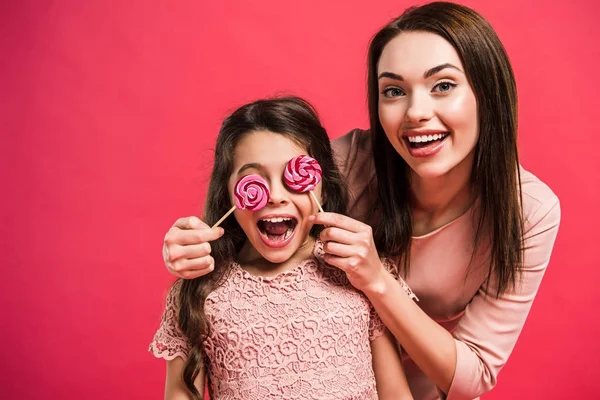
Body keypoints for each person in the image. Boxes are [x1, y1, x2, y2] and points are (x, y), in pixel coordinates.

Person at [161, 2, 561, 399]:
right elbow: (254, 193)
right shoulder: (340, 163)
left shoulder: (530, 210)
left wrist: (376, 281)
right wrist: (189, 246)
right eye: (393, 91)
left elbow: (474, 376)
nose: (416, 112)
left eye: (443, 85)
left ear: (487, 92)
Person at [150, 96, 416, 400]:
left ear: (323, 186)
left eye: (293, 178)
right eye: (254, 179)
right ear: (228, 193)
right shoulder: (201, 292)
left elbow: (395, 393)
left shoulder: (358, 270)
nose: (275, 195)